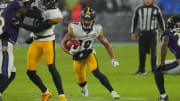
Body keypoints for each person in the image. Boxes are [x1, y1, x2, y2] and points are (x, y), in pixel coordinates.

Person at [61, 7, 120, 99]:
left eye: (89, 19)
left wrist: (113, 58)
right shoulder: (74, 27)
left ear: (93, 20)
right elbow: (63, 43)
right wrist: (68, 51)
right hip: (77, 56)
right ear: (81, 18)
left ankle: (113, 92)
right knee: (81, 80)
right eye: (85, 19)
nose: (87, 21)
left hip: (89, 53)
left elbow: (106, 44)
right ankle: (84, 87)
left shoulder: (97, 29)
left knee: (96, 72)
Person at [19, 0, 67, 101]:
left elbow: (38, 28)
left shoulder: (56, 14)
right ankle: (46, 92)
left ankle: (61, 95)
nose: (43, 1)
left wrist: (21, 24)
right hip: (36, 41)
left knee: (51, 67)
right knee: (30, 72)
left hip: (48, 41)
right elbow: (31, 13)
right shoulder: (38, 3)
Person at [0, 0, 26, 101]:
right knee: (6, 74)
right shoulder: (15, 3)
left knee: (12, 72)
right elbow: (23, 11)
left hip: (5, 40)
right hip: (5, 41)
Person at [131, 0, 165, 74]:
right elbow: (135, 20)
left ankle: (154, 69)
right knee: (141, 52)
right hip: (142, 33)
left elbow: (161, 21)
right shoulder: (139, 8)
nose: (148, 1)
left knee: (153, 52)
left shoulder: (156, 9)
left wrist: (164, 31)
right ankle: (141, 70)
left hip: (153, 33)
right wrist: (133, 32)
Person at [154, 16, 180, 101]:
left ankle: (163, 97)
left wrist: (162, 62)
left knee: (158, 70)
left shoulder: (167, 33)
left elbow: (164, 44)